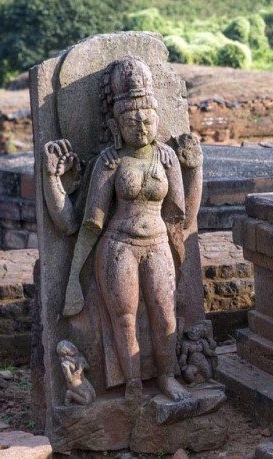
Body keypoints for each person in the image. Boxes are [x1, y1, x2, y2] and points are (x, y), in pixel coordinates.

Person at [60, 56, 190, 402]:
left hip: (159, 242)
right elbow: (91, 223)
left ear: (156, 115)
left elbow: (182, 215)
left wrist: (200, 170)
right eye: (130, 116)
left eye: (146, 114)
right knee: (124, 316)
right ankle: (132, 383)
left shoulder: (167, 158)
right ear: (115, 122)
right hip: (119, 247)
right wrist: (73, 280)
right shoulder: (110, 161)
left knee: (165, 317)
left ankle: (166, 376)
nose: (140, 123)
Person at [57, 340, 95, 406]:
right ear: (65, 352)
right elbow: (69, 379)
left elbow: (87, 367)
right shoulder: (65, 363)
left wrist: (82, 366)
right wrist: (68, 369)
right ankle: (70, 394)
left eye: (70, 344)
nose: (72, 346)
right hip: (74, 382)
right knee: (87, 400)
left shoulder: (79, 357)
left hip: (82, 380)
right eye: (69, 347)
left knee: (93, 396)